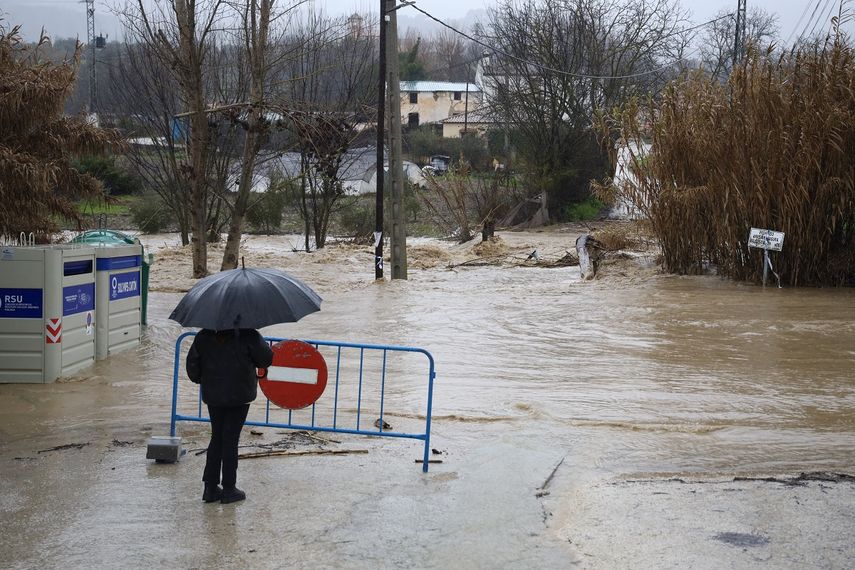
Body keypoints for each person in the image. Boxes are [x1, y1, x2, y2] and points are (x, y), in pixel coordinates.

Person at [186, 328, 273, 504]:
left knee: (217, 436)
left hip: (214, 395)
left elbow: (192, 367)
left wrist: (205, 379)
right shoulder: (249, 334)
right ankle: (229, 488)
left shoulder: (204, 335)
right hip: (239, 395)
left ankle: (210, 488)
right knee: (230, 438)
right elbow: (266, 359)